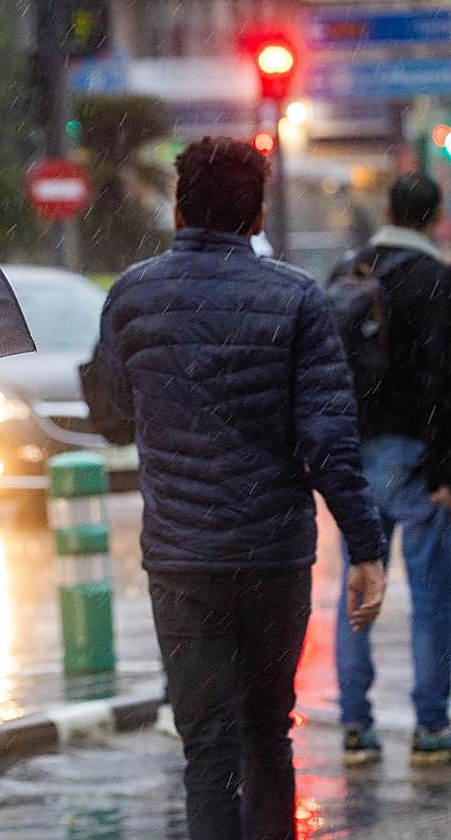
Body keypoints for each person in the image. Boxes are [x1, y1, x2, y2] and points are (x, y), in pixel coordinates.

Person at [82, 136, 387, 840]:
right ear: (256, 217)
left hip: (182, 560)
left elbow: (113, 417)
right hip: (273, 557)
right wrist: (366, 547)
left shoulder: (133, 295)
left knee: (208, 751)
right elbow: (328, 440)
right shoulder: (296, 297)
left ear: (179, 210)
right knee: (267, 734)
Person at [334, 173, 451, 767]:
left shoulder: (350, 269)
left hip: (353, 453)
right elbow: (443, 378)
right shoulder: (436, 280)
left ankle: (356, 725)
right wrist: (444, 468)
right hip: (414, 453)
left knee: (358, 582)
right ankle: (430, 726)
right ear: (435, 216)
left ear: (387, 209)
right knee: (431, 596)